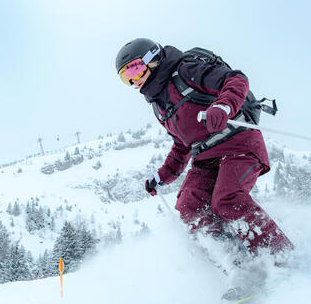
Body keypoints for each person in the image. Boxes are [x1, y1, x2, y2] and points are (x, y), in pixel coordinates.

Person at [115, 38, 293, 258]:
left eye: (136, 69)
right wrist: (162, 176)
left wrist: (222, 106)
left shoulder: (186, 71)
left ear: (153, 59)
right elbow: (182, 145)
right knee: (188, 209)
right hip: (206, 159)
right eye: (126, 78)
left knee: (226, 199)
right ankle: (239, 267)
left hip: (238, 143)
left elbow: (236, 80)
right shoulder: (159, 106)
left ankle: (282, 256)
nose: (134, 81)